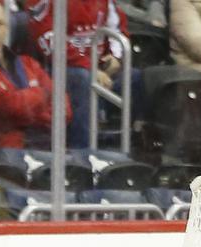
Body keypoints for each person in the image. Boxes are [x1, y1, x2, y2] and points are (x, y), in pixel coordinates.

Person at [0, 0, 69, 149]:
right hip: (7, 156)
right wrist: (43, 94)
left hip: (46, 149)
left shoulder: (28, 63)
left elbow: (64, 110)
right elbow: (8, 107)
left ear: (6, 28)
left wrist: (25, 110)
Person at [25, 0, 134, 149]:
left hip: (98, 67)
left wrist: (116, 57)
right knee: (83, 79)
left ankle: (133, 150)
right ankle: (82, 153)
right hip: (55, 68)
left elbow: (118, 29)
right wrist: (90, 68)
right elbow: (49, 40)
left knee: (136, 78)